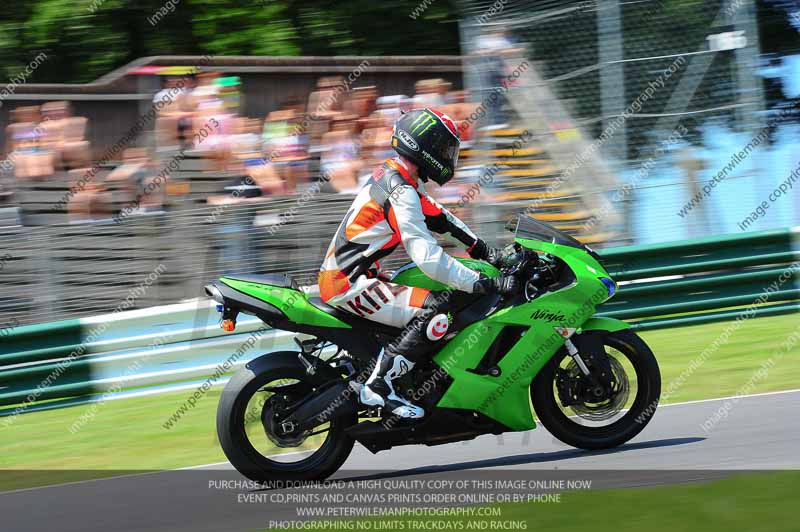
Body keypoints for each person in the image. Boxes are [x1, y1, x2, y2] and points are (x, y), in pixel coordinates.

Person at [318, 108, 518, 419]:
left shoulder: (397, 177)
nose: (449, 157)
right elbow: (428, 258)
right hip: (350, 284)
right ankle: (380, 386)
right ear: (425, 147)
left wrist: (485, 252)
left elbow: (441, 217)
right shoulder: (401, 191)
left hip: (356, 277)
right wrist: (483, 283)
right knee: (437, 313)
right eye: (445, 149)